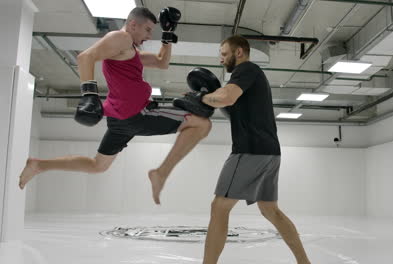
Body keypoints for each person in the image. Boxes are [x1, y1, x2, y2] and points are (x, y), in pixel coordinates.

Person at [18, 7, 211, 205]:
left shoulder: (130, 51)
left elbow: (162, 62)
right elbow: (85, 57)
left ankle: (39, 165)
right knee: (201, 124)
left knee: (98, 165)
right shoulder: (122, 38)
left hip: (120, 119)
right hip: (138, 114)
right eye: (147, 29)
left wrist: (168, 34)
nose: (149, 35)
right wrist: (89, 94)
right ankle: (161, 173)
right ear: (133, 25)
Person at [197, 35, 311, 264]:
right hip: (270, 152)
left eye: (224, 53)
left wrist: (201, 97)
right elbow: (231, 105)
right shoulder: (248, 81)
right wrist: (210, 100)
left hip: (250, 152)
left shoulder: (246, 69)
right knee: (271, 210)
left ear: (239, 52)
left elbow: (226, 98)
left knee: (219, 207)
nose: (221, 60)